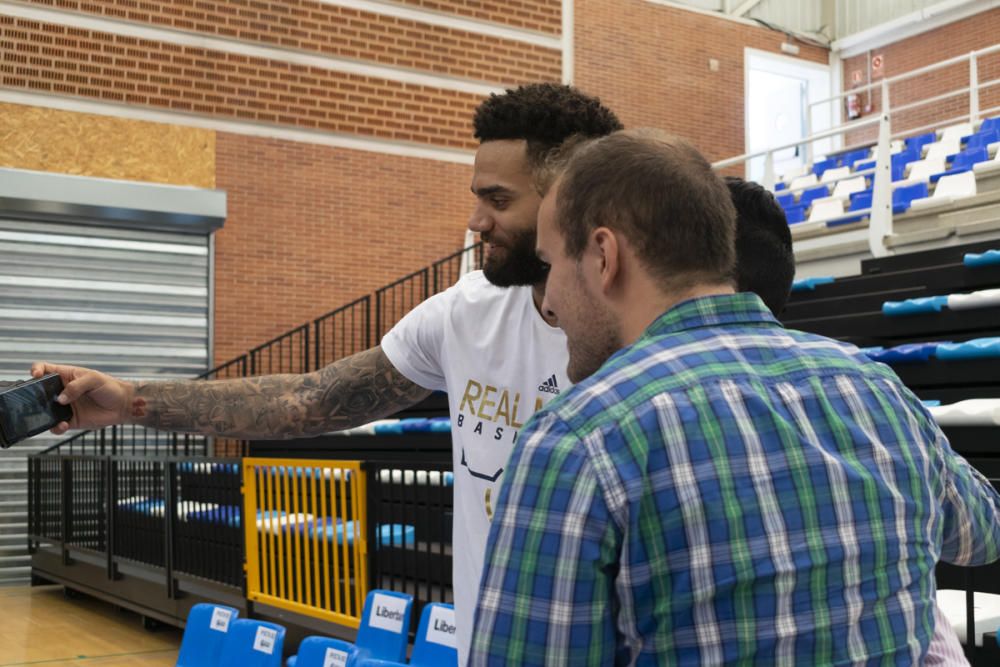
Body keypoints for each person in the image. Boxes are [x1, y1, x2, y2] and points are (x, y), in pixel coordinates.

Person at [31, 83, 623, 665]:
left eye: (498, 201)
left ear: (569, 203)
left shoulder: (644, 347)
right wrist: (131, 400)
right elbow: (309, 400)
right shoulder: (465, 313)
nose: (475, 221)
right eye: (477, 198)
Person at [471, 130, 1000, 665]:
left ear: (605, 256)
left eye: (550, 265)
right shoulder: (877, 389)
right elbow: (982, 533)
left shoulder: (576, 440)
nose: (551, 301)